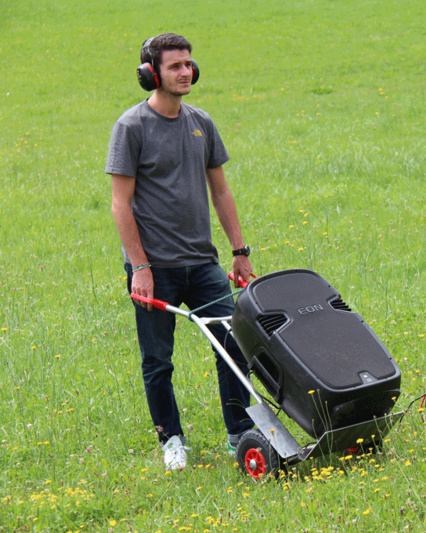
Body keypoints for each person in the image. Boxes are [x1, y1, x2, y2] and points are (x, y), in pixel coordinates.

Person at [106, 33, 254, 470]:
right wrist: (141, 266)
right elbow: (121, 204)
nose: (186, 72)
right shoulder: (131, 128)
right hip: (156, 268)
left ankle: (238, 430)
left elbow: (221, 192)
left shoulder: (201, 122)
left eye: (189, 64)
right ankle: (171, 440)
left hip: (203, 262)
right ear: (152, 74)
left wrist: (239, 250)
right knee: (158, 360)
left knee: (233, 345)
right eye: (174, 66)